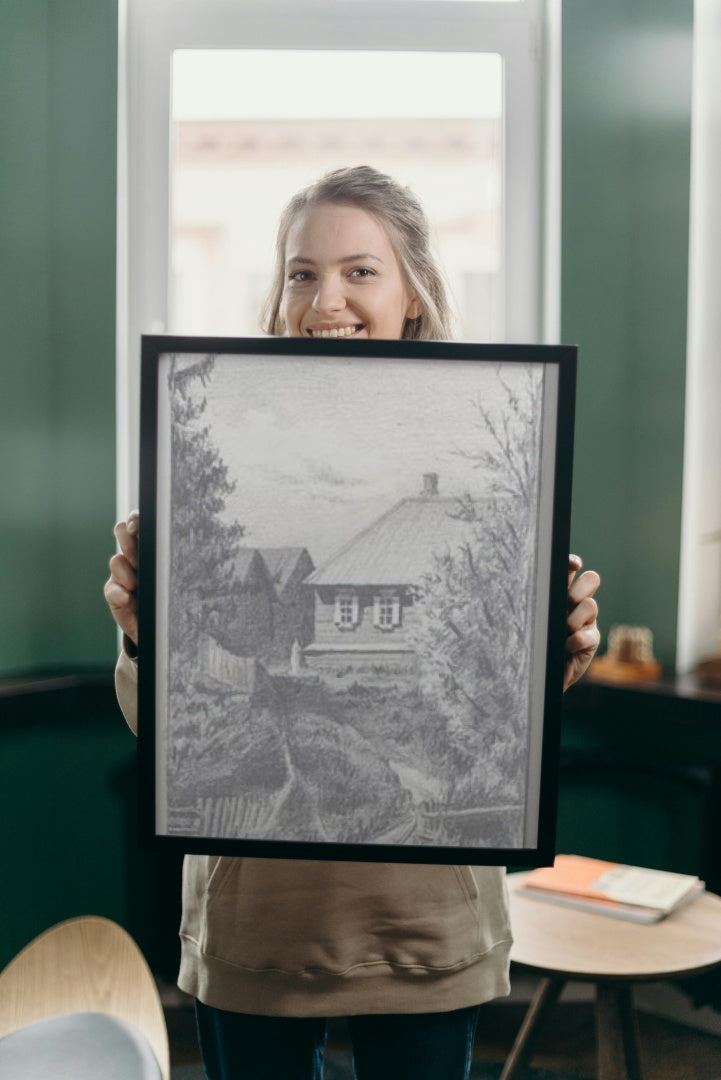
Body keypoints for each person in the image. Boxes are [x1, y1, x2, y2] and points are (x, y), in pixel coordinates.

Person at [105, 166, 601, 1080]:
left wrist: (554, 651)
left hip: (425, 924)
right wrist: (144, 634)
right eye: (301, 272)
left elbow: (498, 725)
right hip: (256, 926)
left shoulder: (493, 448)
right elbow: (168, 735)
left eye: (359, 271)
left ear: (413, 292)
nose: (324, 297)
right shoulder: (207, 439)